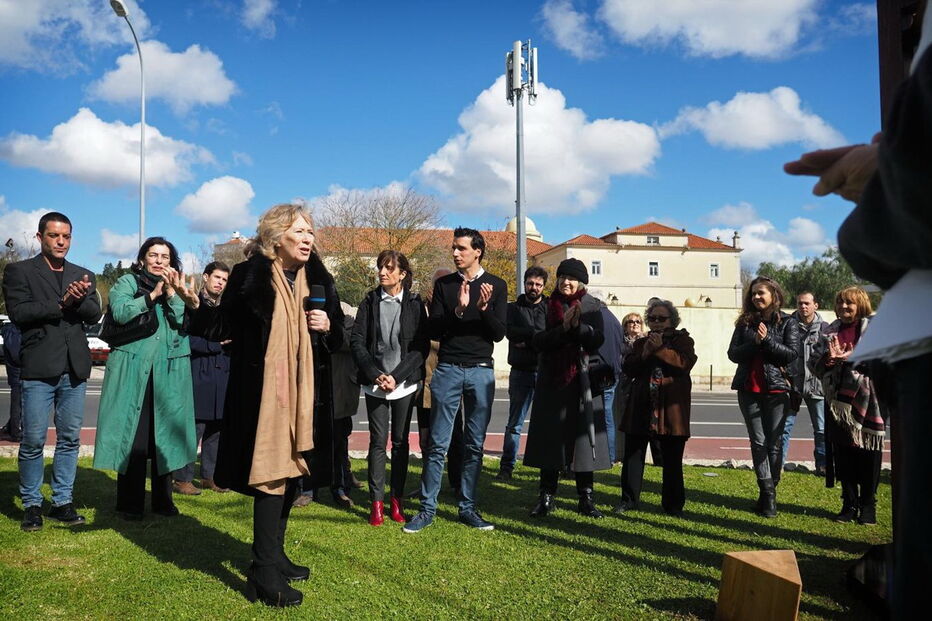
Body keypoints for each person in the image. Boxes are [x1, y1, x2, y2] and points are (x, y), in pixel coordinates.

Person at [190, 203, 344, 607]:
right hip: (264, 396)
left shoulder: (319, 279)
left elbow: (340, 334)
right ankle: (262, 570)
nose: (309, 238)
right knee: (273, 475)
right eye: (299, 232)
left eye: (310, 231)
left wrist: (328, 325)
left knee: (294, 476)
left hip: (307, 394)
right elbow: (222, 327)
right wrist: (195, 307)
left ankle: (275, 556)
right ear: (277, 239)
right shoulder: (249, 276)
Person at [2, 212, 101, 531]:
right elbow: (19, 312)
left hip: (74, 367)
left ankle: (62, 501)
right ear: (40, 236)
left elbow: (92, 312)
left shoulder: (83, 274)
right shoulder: (19, 271)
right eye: (54, 236)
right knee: (32, 439)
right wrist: (61, 303)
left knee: (70, 438)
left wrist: (77, 299)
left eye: (67, 236)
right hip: (38, 366)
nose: (61, 242)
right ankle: (31, 504)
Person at [403, 227, 507, 533]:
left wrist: (484, 310)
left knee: (474, 445)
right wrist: (459, 311)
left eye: (461, 248)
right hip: (447, 369)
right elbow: (433, 329)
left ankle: (468, 507)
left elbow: (498, 333)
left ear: (478, 251)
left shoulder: (496, 285)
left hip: (481, 370)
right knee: (437, 443)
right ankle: (426, 509)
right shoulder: (445, 285)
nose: (455, 253)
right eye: (453, 248)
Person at [93, 237, 199, 521]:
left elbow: (182, 322)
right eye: (153, 255)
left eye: (165, 257)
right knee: (135, 438)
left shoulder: (178, 287)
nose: (159, 261)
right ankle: (130, 504)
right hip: (133, 369)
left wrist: (173, 295)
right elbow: (120, 312)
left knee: (164, 439)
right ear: (142, 259)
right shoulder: (127, 282)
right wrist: (152, 295)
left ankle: (163, 502)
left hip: (168, 372)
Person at [523, 258, 609, 518]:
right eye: (562, 277)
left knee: (584, 441)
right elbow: (537, 339)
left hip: (583, 381)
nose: (566, 282)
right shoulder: (547, 306)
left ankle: (586, 498)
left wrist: (579, 328)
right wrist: (564, 329)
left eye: (571, 278)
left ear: (581, 282)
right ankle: (546, 496)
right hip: (553, 380)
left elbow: (598, 338)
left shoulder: (593, 307)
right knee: (550, 440)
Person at [351, 250, 427, 526]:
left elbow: (420, 347)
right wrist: (375, 375)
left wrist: (396, 376)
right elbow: (357, 342)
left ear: (402, 274)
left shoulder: (415, 304)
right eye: (380, 267)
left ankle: (397, 500)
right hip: (376, 385)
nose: (382, 273)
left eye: (388, 268)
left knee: (400, 442)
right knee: (377, 442)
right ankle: (377, 504)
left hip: (403, 383)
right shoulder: (369, 301)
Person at [811, 287, 885, 525]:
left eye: (849, 304)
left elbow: (885, 362)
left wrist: (855, 358)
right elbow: (815, 364)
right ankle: (849, 503)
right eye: (840, 303)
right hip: (837, 404)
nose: (844, 307)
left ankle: (868, 506)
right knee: (844, 456)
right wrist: (829, 360)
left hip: (869, 403)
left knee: (868, 456)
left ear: (860, 305)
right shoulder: (829, 330)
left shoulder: (875, 329)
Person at [615, 300, 696, 517]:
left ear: (673, 320)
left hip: (670, 410)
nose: (657, 323)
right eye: (652, 319)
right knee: (634, 455)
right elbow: (628, 368)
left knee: (671, 459)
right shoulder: (642, 343)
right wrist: (645, 353)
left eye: (662, 319)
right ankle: (629, 500)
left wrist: (660, 349)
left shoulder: (683, 340)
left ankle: (673, 505)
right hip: (641, 405)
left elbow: (684, 364)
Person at [727, 276, 799, 518]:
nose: (757, 297)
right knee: (758, 443)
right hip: (749, 390)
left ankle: (769, 491)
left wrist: (767, 341)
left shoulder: (788, 322)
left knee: (774, 444)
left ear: (773, 295)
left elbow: (791, 355)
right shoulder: (744, 323)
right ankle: (768, 494)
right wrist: (756, 344)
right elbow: (733, 354)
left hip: (777, 391)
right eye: (754, 293)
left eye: (761, 293)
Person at [172, 261, 231, 495]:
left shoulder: (226, 308)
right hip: (198, 371)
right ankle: (182, 478)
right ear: (205, 277)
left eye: (225, 280)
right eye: (217, 277)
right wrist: (212, 345)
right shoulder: (190, 302)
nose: (220, 283)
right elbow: (181, 338)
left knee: (216, 429)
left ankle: (209, 476)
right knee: (193, 429)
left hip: (223, 373)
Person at [413, 267, 465, 497]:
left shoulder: (456, 311)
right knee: (426, 440)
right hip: (423, 385)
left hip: (450, 382)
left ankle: (456, 483)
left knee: (455, 439)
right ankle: (427, 484)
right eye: (437, 285)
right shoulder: (420, 310)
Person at [496, 266, 548, 481]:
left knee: (547, 423)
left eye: (538, 284)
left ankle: (548, 465)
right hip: (520, 373)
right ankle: (507, 467)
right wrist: (537, 337)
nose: (533, 287)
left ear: (544, 286)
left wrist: (528, 338)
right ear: (524, 283)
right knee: (514, 424)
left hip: (545, 372)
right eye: (530, 283)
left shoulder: (549, 309)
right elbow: (510, 332)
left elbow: (549, 336)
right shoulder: (512, 308)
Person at [782, 292, 829, 474]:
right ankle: (778, 465)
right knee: (784, 427)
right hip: (792, 386)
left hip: (816, 386)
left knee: (821, 429)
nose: (803, 307)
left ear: (815, 305)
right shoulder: (787, 325)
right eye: (800, 303)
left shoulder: (825, 328)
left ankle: (822, 466)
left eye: (807, 303)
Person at [597, 299, 624, 464]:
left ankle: (604, 455)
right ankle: (610, 456)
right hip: (612, 373)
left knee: (601, 417)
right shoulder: (614, 319)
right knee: (607, 417)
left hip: (599, 373)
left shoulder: (596, 317)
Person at [1, 320, 23, 442]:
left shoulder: (11, 331)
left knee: (19, 404)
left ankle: (11, 427)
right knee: (18, 405)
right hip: (18, 374)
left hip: (16, 373)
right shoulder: (14, 331)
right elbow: (16, 354)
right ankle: (15, 432)